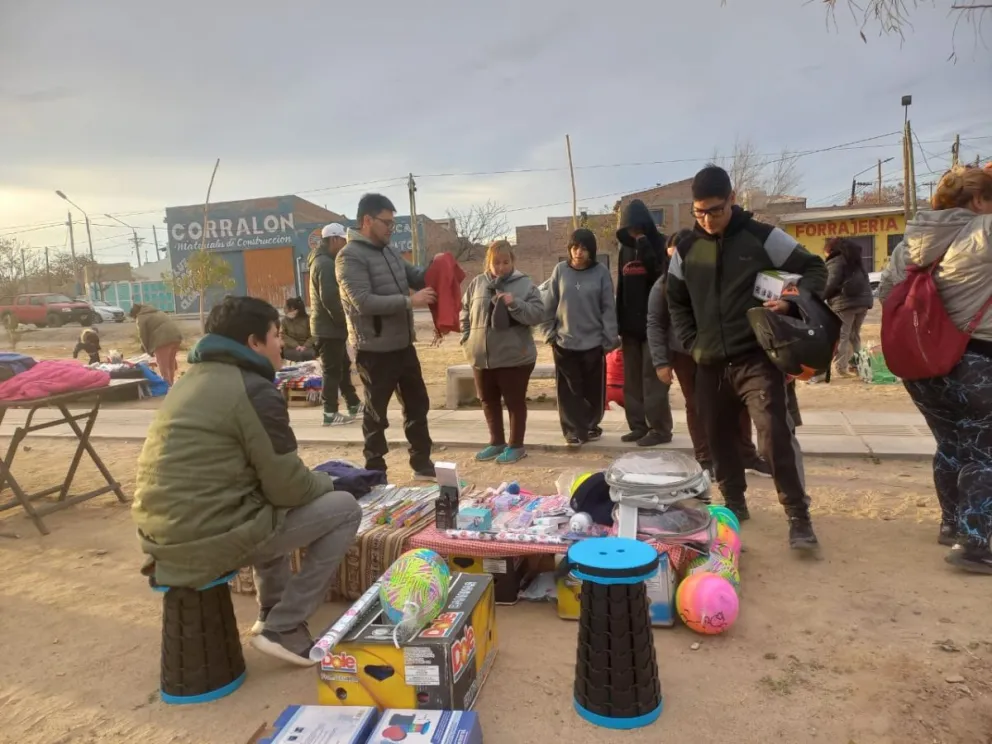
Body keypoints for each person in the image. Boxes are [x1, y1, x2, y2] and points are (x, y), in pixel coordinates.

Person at [131, 296, 363, 665]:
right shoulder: (254, 390)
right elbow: (290, 488)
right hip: (205, 537)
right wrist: (332, 481)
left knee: (265, 502)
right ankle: (285, 627)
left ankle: (271, 611)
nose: (281, 344)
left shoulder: (191, 380)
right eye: (276, 335)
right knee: (344, 508)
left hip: (161, 533)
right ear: (254, 342)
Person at [667, 165, 827, 549]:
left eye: (716, 210)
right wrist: (692, 342)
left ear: (732, 199)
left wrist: (791, 302)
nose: (707, 220)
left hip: (757, 358)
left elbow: (814, 269)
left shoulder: (763, 237)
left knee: (774, 435)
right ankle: (735, 504)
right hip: (709, 363)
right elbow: (675, 300)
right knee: (718, 438)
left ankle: (798, 516)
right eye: (699, 213)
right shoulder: (686, 249)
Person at [879, 165, 992, 572]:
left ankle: (951, 523)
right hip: (975, 361)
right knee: (983, 450)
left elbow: (885, 293)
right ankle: (975, 543)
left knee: (949, 443)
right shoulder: (984, 232)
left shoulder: (911, 241)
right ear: (977, 200)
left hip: (921, 365)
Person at [646, 229, 771, 477]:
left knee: (737, 402)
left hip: (722, 350)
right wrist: (661, 362)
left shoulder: (714, 278)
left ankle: (746, 454)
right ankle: (704, 457)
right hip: (685, 354)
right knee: (696, 405)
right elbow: (655, 323)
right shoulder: (662, 287)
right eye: (673, 254)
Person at [336, 193, 437, 479]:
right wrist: (410, 301)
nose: (391, 228)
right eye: (387, 222)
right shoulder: (349, 256)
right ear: (367, 220)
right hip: (374, 349)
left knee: (417, 405)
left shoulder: (390, 251)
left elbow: (416, 276)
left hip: (403, 345)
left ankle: (422, 463)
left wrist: (438, 267)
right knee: (376, 412)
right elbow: (362, 301)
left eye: (393, 223)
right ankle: (375, 469)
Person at [459, 240, 545, 464]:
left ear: (512, 261)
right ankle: (496, 442)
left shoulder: (525, 284)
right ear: (488, 262)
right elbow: (465, 311)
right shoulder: (477, 283)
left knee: (514, 402)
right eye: (496, 262)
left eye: (505, 262)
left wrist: (514, 303)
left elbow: (538, 314)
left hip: (514, 357)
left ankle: (516, 446)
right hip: (481, 357)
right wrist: (467, 339)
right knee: (488, 401)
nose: (500, 267)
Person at [541, 228, 619, 446]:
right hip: (565, 343)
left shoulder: (601, 272)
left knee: (593, 390)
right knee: (569, 391)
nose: (578, 252)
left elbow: (608, 307)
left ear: (591, 251)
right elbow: (549, 305)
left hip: (594, 344)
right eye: (575, 247)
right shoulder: (560, 271)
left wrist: (609, 339)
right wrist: (549, 335)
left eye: (584, 248)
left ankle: (590, 425)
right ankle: (572, 430)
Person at [615, 199, 673, 447]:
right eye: (630, 229)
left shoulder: (661, 244)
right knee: (632, 381)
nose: (634, 233)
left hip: (654, 326)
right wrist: (619, 324)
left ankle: (660, 429)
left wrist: (644, 244)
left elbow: (661, 275)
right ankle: (638, 426)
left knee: (653, 380)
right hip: (630, 326)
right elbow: (621, 288)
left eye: (638, 228)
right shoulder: (624, 251)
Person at [309, 223, 362, 425]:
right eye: (342, 241)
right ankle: (330, 413)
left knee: (342, 366)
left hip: (330, 327)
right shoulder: (325, 264)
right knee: (332, 371)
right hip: (328, 328)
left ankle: (353, 403)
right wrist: (344, 321)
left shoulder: (324, 261)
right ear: (333, 239)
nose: (344, 245)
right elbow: (330, 299)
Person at [819, 237, 874, 378]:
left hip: (844, 304)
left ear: (830, 250)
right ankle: (859, 367)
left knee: (842, 336)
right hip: (863, 303)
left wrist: (819, 298)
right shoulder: (856, 260)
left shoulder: (835, 262)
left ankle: (840, 367)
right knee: (854, 336)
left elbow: (830, 284)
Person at [129, 303, 183, 386]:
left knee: (163, 365)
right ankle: (171, 384)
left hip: (162, 340)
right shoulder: (157, 311)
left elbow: (143, 336)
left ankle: (166, 386)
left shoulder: (141, 317)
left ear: (135, 314)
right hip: (176, 338)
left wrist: (147, 350)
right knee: (170, 363)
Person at [280, 297, 316, 362]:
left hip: (306, 346)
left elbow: (314, 335)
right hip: (290, 347)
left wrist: (305, 346)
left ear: (294, 309)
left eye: (286, 308)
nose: (284, 310)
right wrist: (296, 345)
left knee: (308, 354)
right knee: (298, 355)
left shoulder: (307, 319)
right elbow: (283, 335)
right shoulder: (284, 321)